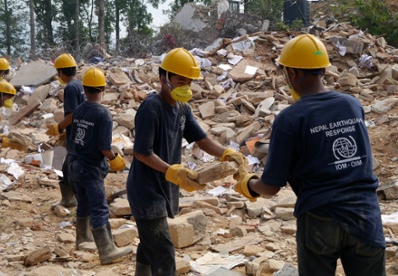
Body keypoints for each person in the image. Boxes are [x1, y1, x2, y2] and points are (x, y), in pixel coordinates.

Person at [233, 34, 386, 276]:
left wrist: (248, 184)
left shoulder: (290, 118)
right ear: (322, 70)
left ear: (292, 73)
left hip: (319, 218)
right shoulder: (352, 105)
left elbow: (270, 187)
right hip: (365, 216)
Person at [126, 48, 246, 275]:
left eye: (189, 82)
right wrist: (171, 171)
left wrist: (226, 154)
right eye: (181, 81)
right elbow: (142, 152)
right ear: (164, 78)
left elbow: (201, 139)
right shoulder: (151, 108)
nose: (186, 86)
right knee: (163, 250)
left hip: (165, 187)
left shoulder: (182, 108)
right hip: (146, 190)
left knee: (150, 241)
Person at [67, 67, 132, 264]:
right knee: (100, 208)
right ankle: (106, 250)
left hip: (74, 165)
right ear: (103, 89)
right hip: (90, 167)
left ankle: (82, 239)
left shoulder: (79, 109)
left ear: (84, 89)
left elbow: (73, 138)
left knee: (84, 204)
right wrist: (115, 159)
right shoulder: (103, 113)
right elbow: (104, 147)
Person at [46, 53, 85, 210]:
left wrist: (59, 127)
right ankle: (71, 198)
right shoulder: (80, 84)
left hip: (74, 133)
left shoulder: (70, 88)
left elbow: (72, 114)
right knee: (68, 165)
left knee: (65, 166)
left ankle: (70, 199)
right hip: (81, 131)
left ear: (61, 72)